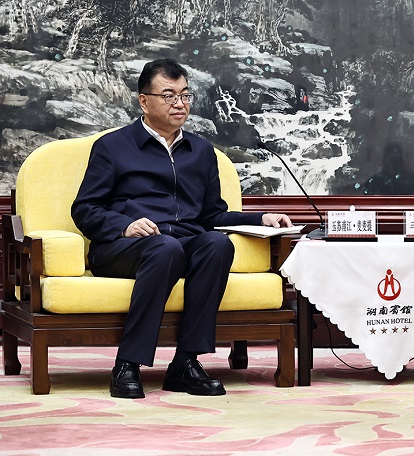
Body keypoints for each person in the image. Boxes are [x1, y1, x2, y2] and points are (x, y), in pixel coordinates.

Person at [71, 58, 293, 399]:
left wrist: (259, 218)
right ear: (144, 101)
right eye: (168, 95)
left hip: (179, 245)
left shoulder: (201, 152)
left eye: (185, 95)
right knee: (165, 247)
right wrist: (125, 225)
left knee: (216, 245)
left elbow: (212, 215)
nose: (179, 103)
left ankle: (185, 363)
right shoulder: (113, 147)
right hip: (123, 249)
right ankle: (127, 364)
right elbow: (84, 209)